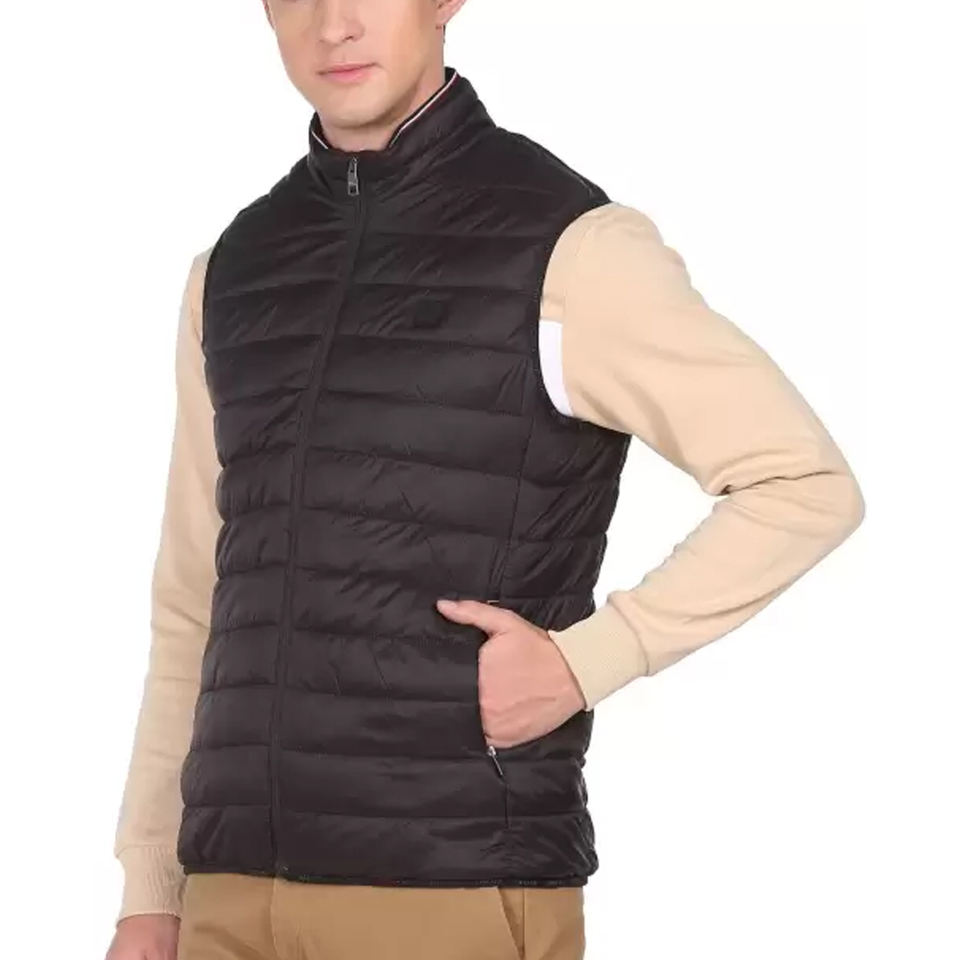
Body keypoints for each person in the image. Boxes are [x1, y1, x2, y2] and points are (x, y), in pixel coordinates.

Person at [105, 2, 865, 959]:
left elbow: (802, 482)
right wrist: (152, 888)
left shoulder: (570, 247)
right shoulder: (233, 270)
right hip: (226, 894)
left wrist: (589, 661)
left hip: (449, 886)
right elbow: (195, 600)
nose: (334, 25)